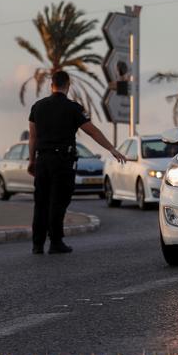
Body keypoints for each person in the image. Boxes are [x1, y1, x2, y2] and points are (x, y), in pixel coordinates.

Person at [27, 71, 125, 254]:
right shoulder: (73, 108)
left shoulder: (37, 107)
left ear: (52, 85)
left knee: (41, 202)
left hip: (42, 160)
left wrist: (32, 160)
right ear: (68, 85)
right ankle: (56, 242)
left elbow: (33, 137)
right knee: (58, 201)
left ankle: (37, 244)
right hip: (62, 162)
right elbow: (92, 131)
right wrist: (111, 148)